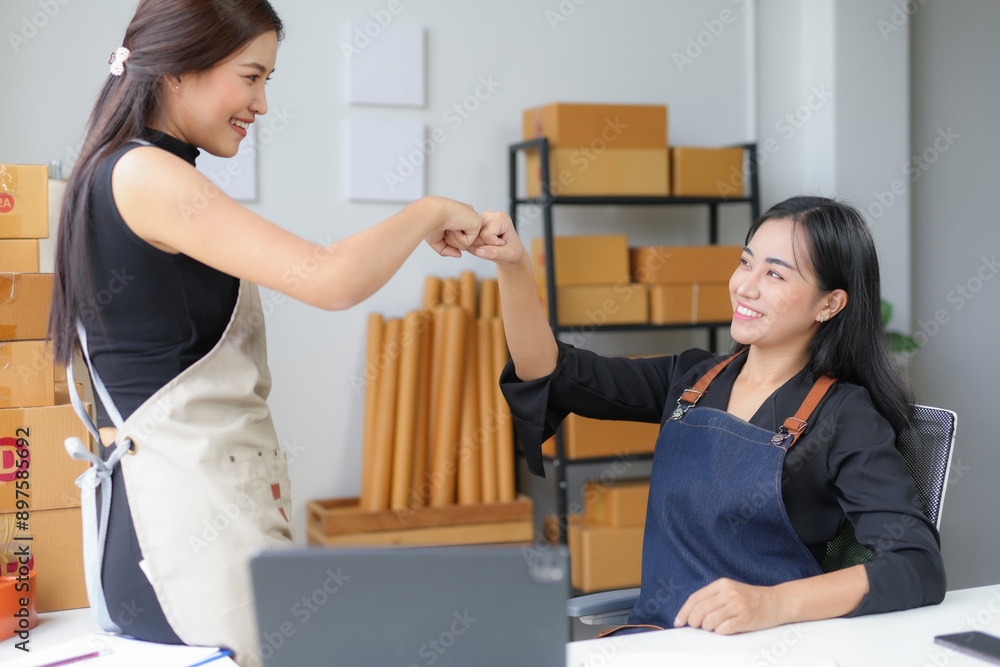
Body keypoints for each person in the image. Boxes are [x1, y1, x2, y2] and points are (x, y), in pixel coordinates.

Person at [47, 0, 482, 663]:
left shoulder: (122, 169)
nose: (262, 104)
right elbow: (329, 277)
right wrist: (429, 210)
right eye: (251, 77)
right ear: (179, 69)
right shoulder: (146, 174)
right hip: (181, 544)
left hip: (176, 530)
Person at [471, 196, 945, 634]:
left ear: (830, 303)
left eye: (775, 274)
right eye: (745, 262)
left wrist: (772, 604)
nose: (746, 286)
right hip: (660, 641)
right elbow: (551, 372)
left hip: (770, 649)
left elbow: (915, 564)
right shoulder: (692, 380)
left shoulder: (844, 415)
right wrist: (513, 265)